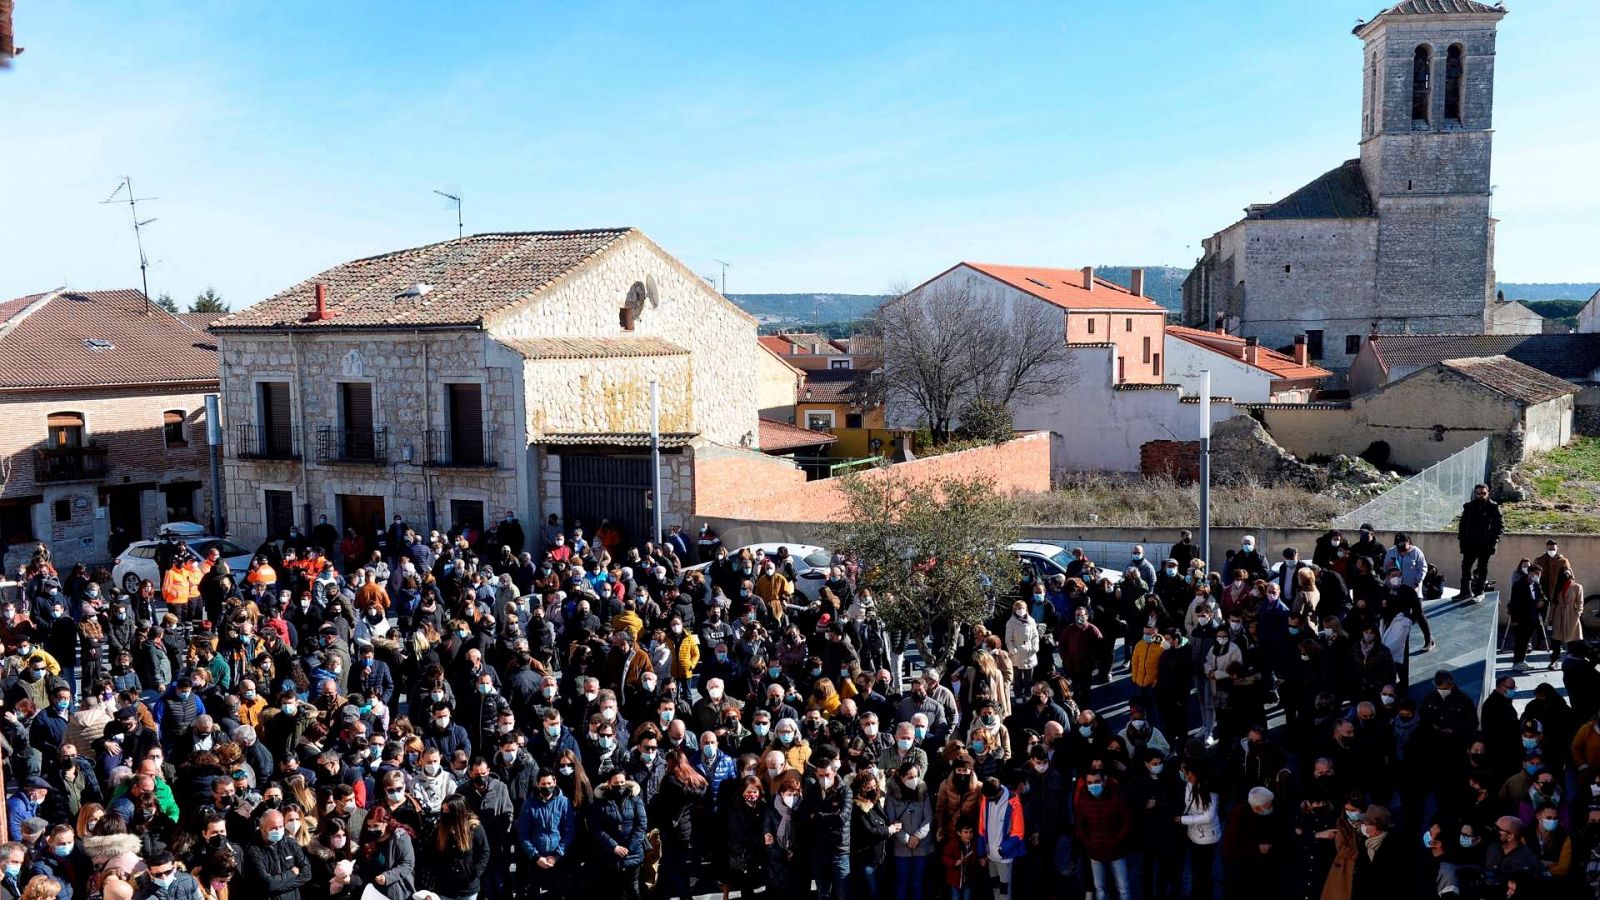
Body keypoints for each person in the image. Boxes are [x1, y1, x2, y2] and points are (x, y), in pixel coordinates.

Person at [588, 768, 647, 900]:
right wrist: (613, 846)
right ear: (609, 783)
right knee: (613, 889)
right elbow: (596, 828)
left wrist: (629, 848)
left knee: (633, 888)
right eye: (616, 783)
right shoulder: (600, 802)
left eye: (622, 782)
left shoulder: (634, 799)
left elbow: (641, 825)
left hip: (632, 852)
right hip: (609, 853)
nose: (619, 785)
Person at [423, 795, 489, 900]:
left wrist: (475, 872)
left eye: (447, 810)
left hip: (467, 887)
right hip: (445, 887)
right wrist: (437, 871)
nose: (444, 813)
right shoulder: (440, 828)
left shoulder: (474, 828)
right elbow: (431, 852)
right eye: (443, 810)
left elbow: (484, 851)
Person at [1456, 483, 1503, 599]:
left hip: (1485, 544)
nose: (1481, 495)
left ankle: (1479, 592)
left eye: (1483, 493)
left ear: (1488, 493)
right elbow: (1462, 525)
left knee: (1482, 568)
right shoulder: (1469, 506)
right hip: (1470, 543)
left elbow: (1499, 526)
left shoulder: (1493, 507)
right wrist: (1462, 540)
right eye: (1478, 493)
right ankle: (1465, 591)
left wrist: (1493, 542)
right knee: (1465, 567)